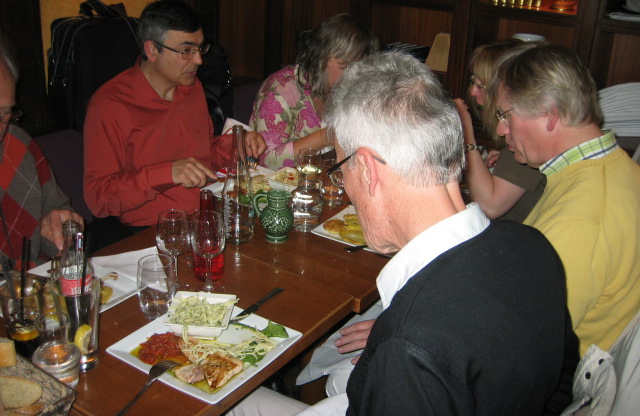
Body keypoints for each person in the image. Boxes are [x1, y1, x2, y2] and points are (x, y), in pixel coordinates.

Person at [229, 51, 579, 415]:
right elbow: (559, 392)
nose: (345, 184)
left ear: (367, 169)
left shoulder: (408, 347)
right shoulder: (534, 248)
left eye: (342, 169)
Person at [492, 42, 640, 356]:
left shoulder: (580, 220)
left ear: (549, 114)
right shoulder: (616, 168)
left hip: (570, 373)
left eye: (505, 115)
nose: (501, 129)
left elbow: (515, 343)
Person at [83, 0, 266, 246]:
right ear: (152, 50)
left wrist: (236, 144)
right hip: (147, 233)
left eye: (200, 48)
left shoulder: (191, 88)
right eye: (186, 51)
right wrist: (167, 173)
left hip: (204, 219)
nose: (199, 60)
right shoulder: (110, 105)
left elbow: (201, 159)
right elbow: (99, 198)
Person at [249, 13, 379, 170]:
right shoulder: (281, 90)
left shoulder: (350, 90)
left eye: (360, 69)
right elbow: (264, 160)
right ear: (321, 58)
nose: (354, 76)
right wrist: (326, 136)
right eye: (346, 67)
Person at [0, 35, 83, 268]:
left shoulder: (18, 146)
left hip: (33, 284)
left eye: (4, 113)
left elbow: (58, 221)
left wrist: (58, 231)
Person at [454, 39, 546, 222]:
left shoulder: (525, 143)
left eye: (481, 85)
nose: (472, 92)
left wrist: (466, 133)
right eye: (473, 81)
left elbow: (489, 207)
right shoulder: (512, 148)